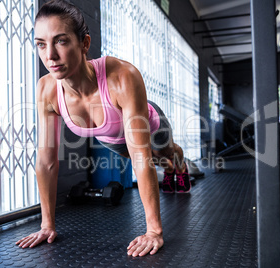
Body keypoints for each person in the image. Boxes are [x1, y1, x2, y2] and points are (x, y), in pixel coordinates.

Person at [16, 0, 191, 257]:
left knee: (166, 157)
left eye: (61, 41)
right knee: (151, 160)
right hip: (114, 139)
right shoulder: (47, 89)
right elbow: (46, 162)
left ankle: (180, 166)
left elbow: (141, 159)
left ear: (84, 43)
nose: (49, 55)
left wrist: (154, 231)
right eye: (41, 44)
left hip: (151, 123)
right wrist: (46, 225)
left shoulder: (122, 76)